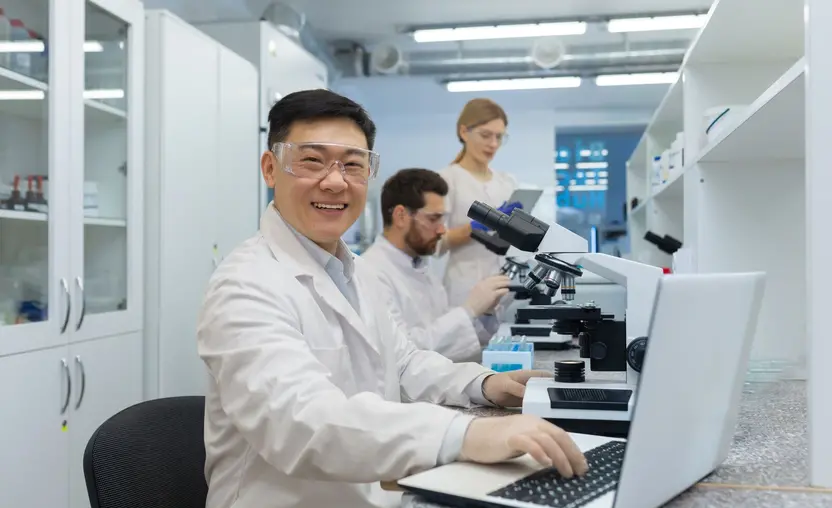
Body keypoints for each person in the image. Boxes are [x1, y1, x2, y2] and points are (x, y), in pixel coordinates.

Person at [196, 89, 587, 508]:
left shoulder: (355, 271)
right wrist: (465, 433)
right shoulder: (244, 285)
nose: (334, 180)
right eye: (312, 160)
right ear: (271, 169)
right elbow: (301, 422)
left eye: (352, 164)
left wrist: (486, 384)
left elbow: (403, 361)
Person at [362, 168, 511, 362]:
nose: (442, 230)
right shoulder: (372, 272)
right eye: (433, 219)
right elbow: (404, 352)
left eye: (443, 219)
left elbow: (453, 339)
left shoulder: (421, 265)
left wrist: (486, 313)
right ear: (400, 216)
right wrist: (469, 310)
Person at [439, 98, 522, 308]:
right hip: (463, 291)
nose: (493, 144)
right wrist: (478, 227)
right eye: (486, 135)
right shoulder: (446, 180)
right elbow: (436, 244)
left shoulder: (508, 182)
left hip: (505, 288)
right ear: (464, 132)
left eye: (499, 137)